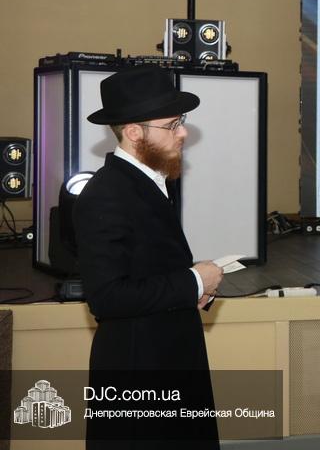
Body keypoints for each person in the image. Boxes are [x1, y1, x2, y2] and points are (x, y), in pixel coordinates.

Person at [73, 65, 222, 449]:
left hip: (168, 361)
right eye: (172, 125)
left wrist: (194, 289)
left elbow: (149, 269)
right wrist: (194, 281)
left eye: (181, 122)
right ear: (134, 132)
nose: (183, 133)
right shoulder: (105, 194)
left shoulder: (149, 181)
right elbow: (107, 297)